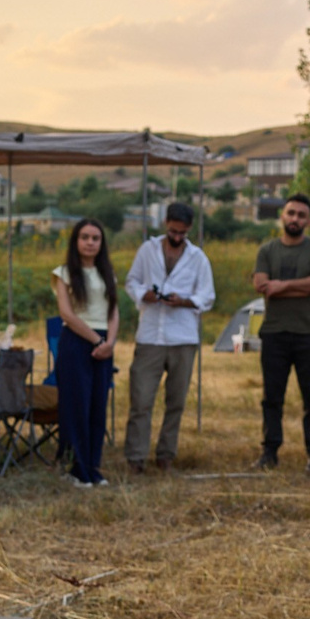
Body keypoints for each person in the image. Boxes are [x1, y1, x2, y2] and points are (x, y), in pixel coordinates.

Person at [124, 202, 215, 472]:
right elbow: (132, 282)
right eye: (173, 231)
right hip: (151, 334)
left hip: (182, 337)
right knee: (141, 399)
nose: (177, 237)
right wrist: (144, 295)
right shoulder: (147, 250)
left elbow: (207, 296)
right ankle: (136, 458)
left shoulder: (198, 258)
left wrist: (185, 301)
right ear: (166, 224)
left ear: (188, 231)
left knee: (175, 401)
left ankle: (165, 455)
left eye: (182, 234)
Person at [252, 194, 310, 473]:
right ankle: (270, 451)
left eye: (301, 215)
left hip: (309, 333)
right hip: (274, 332)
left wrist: (282, 286)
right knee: (272, 397)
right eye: (291, 213)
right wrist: (303, 286)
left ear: (308, 220)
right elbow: (261, 284)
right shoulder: (267, 250)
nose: (295, 219)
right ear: (282, 216)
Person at [52, 217, 120, 487]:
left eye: (95, 238)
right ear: (76, 241)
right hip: (78, 342)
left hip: (104, 344)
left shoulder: (107, 273)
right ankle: (75, 468)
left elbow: (113, 311)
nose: (90, 242)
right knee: (76, 406)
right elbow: (66, 314)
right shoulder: (64, 272)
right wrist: (95, 341)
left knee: (97, 407)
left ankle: (93, 466)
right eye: (85, 237)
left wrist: (110, 342)